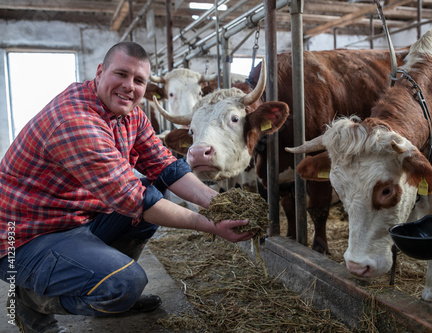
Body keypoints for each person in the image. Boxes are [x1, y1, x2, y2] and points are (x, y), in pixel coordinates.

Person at [0, 41, 255, 333]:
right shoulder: (75, 122)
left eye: (138, 80)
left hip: (74, 220)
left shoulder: (130, 113)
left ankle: (102, 285)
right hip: (27, 239)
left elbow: (167, 167)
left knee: (153, 190)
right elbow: (135, 200)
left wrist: (219, 205)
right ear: (99, 72)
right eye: (121, 74)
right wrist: (212, 225)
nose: (129, 86)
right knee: (125, 283)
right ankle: (32, 300)